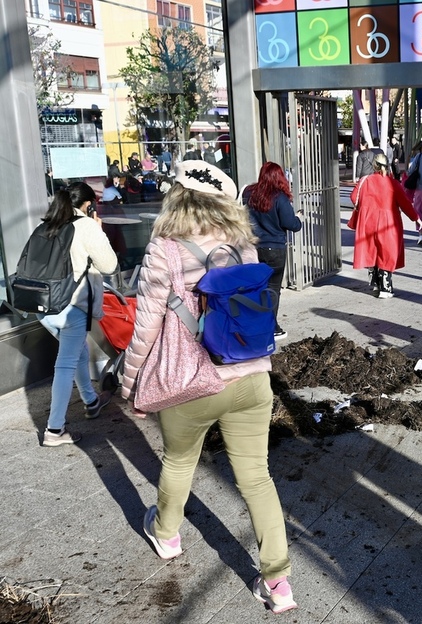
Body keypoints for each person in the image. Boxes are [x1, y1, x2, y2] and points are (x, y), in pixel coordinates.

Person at [119, 160, 297, 614]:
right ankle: (278, 585)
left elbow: (145, 327)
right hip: (253, 375)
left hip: (190, 380)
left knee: (179, 460)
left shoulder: (165, 249)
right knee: (258, 478)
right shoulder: (243, 245)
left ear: (175, 199)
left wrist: (129, 381)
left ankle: (166, 535)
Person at [37, 182, 119, 446]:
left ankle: (91, 401)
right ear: (87, 205)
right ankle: (54, 429)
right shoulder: (85, 226)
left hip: (43, 305)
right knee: (65, 364)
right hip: (70, 307)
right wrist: (99, 232)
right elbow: (109, 265)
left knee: (78, 351)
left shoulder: (49, 222)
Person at [241, 161, 304, 340]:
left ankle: (257, 324)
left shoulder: (250, 194)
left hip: (253, 248)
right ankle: (271, 327)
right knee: (273, 289)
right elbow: (291, 224)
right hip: (274, 249)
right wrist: (299, 218)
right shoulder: (279, 197)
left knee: (257, 287)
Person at [350, 153, 421, 298]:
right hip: (388, 222)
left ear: (373, 166)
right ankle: (386, 288)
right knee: (386, 252)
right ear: (387, 166)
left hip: (368, 220)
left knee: (373, 251)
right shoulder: (393, 183)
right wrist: (416, 218)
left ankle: (375, 283)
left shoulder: (365, 181)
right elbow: (405, 203)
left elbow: (353, 197)